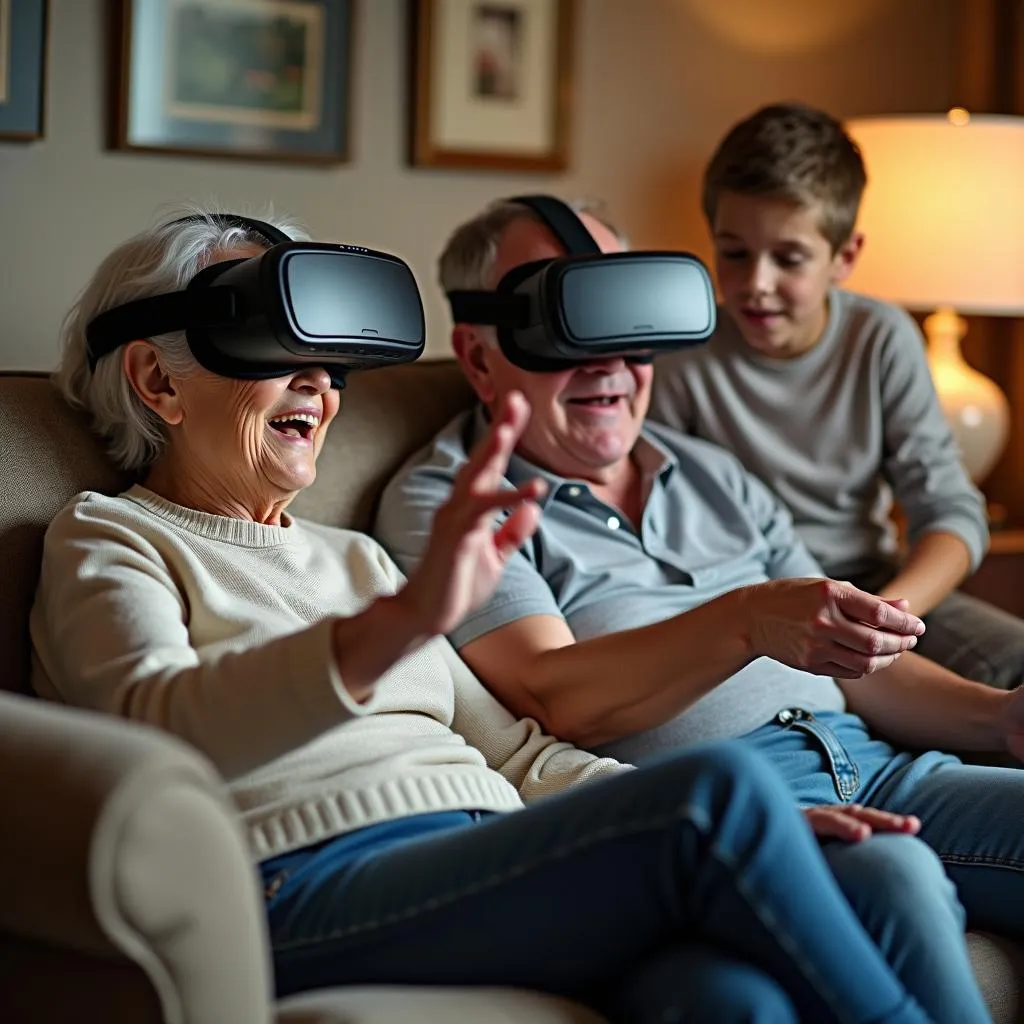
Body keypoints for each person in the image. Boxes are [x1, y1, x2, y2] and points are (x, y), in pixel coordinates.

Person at [27, 207, 942, 1024]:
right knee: (720, 791)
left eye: (331, 360)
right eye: (276, 349)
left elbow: (517, 756)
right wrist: (398, 625)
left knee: (722, 998)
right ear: (156, 380)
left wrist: (750, 836)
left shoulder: (355, 559)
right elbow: (160, 729)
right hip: (295, 886)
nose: (319, 386)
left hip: (483, 851)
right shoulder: (110, 540)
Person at [375, 193, 1024, 1023]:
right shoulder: (455, 501)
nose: (607, 363)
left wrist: (1000, 720)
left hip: (885, 761)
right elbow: (554, 694)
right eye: (563, 327)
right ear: (478, 355)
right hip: (740, 809)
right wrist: (746, 620)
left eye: (625, 320)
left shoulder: (712, 470)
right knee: (890, 874)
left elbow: (861, 666)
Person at [647, 101, 1024, 690]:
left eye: (788, 259)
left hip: (873, 585)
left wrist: (886, 618)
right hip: (743, 600)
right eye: (735, 253)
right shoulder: (681, 357)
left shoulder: (881, 338)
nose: (755, 284)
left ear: (844, 257)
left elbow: (951, 512)